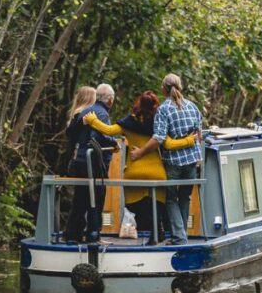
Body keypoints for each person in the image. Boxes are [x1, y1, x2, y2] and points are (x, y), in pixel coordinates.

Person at [82, 91, 196, 242]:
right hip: (157, 173)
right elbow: (169, 144)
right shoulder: (159, 122)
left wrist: (92, 120)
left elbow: (109, 130)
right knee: (157, 204)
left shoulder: (130, 122)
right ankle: (157, 230)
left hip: (134, 172)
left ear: (138, 104)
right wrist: (189, 140)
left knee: (134, 205)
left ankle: (155, 230)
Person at [131, 74, 202, 245]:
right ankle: (181, 236)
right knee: (185, 197)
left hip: (173, 162)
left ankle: (180, 238)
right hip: (192, 161)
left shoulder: (164, 109)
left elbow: (158, 138)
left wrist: (140, 153)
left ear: (163, 89)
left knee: (171, 199)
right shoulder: (193, 107)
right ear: (180, 86)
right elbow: (199, 135)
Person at [64, 83, 117, 241]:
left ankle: (72, 234)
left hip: (80, 161)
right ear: (110, 100)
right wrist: (114, 142)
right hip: (94, 163)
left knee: (80, 198)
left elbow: (71, 134)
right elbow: (97, 136)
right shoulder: (102, 114)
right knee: (97, 198)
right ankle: (93, 234)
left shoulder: (84, 112)